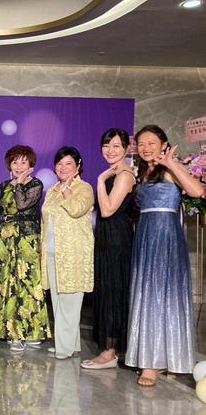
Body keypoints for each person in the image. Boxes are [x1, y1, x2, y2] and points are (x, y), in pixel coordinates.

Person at [125, 125, 205, 386]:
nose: (146, 148)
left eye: (152, 143)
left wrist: (172, 163)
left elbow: (197, 191)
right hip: (145, 235)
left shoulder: (170, 168)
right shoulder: (142, 172)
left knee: (164, 294)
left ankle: (157, 362)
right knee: (147, 294)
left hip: (167, 237)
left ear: (163, 144)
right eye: (141, 144)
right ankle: (150, 357)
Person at [82, 129, 136, 370]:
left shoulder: (124, 175)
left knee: (114, 292)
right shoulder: (115, 173)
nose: (110, 150)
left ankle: (110, 352)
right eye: (106, 145)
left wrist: (100, 181)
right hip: (107, 237)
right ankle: (110, 349)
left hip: (117, 239)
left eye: (116, 146)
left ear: (126, 148)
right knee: (107, 291)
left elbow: (107, 210)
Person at [0, 145, 50, 350]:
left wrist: (21, 182)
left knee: (28, 282)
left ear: (31, 164)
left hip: (26, 238)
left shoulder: (36, 184)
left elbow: (22, 205)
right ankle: (10, 332)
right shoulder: (3, 185)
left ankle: (32, 332)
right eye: (15, 162)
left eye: (24, 162)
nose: (19, 166)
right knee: (6, 281)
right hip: (6, 238)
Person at [41, 146, 94, 360]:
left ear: (78, 166)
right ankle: (70, 344)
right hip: (52, 252)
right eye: (59, 163)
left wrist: (68, 191)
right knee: (58, 301)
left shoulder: (84, 188)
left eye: (68, 163)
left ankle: (64, 348)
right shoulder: (52, 190)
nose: (63, 168)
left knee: (70, 302)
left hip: (73, 254)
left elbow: (76, 209)